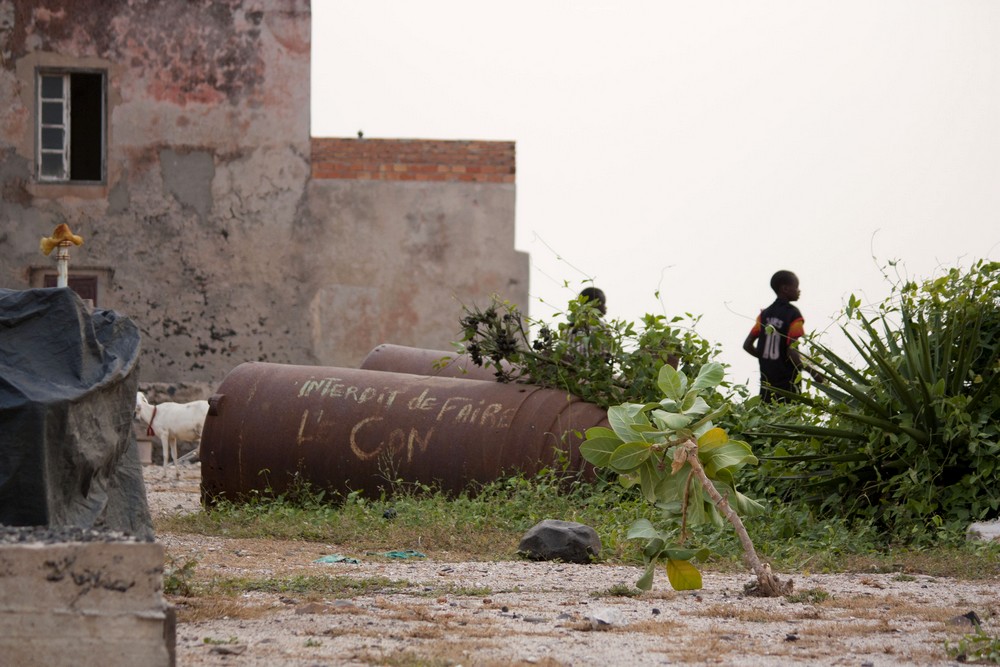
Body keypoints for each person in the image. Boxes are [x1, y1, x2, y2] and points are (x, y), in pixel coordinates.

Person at [743, 270, 821, 402]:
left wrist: (766, 359)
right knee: (790, 418)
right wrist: (814, 373)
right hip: (788, 384)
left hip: (767, 385)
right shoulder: (793, 315)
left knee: (768, 418)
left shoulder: (764, 315)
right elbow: (792, 352)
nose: (799, 291)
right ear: (785, 288)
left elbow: (747, 345)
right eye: (796, 287)